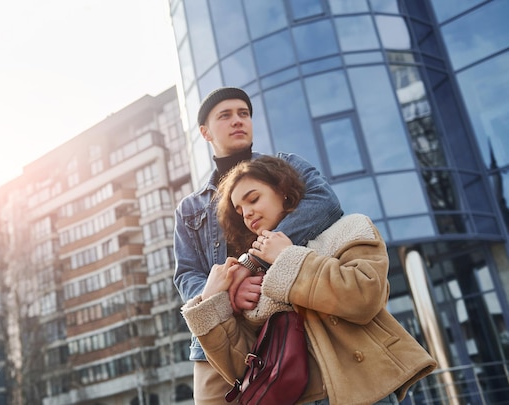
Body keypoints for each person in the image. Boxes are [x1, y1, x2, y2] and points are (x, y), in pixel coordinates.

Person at [181, 155, 438, 405]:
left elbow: (365, 297)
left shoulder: (348, 230)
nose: (247, 213)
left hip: (366, 392)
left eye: (254, 199)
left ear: (283, 190)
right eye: (240, 210)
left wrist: (287, 257)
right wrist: (212, 301)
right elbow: (241, 366)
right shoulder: (252, 281)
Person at [173, 87, 343, 404]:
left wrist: (252, 264)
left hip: (290, 321)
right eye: (225, 115)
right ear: (205, 132)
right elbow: (186, 275)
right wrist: (227, 293)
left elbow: (325, 204)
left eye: (244, 113)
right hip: (218, 333)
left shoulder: (285, 166)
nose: (238, 120)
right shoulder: (189, 208)